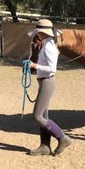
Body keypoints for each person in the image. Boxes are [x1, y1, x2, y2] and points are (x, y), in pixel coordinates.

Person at [27, 19, 72, 156]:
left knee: (37, 116)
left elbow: (52, 68)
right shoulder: (46, 44)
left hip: (47, 81)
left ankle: (62, 138)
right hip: (43, 81)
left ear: (41, 33)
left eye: (38, 32)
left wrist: (35, 66)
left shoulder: (49, 47)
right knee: (44, 115)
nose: (37, 35)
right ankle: (44, 146)